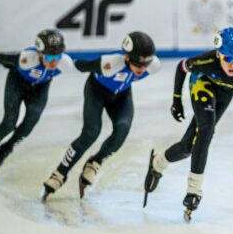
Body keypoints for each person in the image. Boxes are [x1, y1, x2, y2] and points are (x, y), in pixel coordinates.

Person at [142, 27, 233, 221]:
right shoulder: (207, 60)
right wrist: (176, 101)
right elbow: (182, 67)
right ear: (218, 53)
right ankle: (194, 190)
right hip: (203, 84)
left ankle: (158, 162)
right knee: (207, 129)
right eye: (227, 58)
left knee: (187, 148)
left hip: (225, 94)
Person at [41, 31, 160, 200]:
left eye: (146, 64)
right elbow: (81, 65)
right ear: (126, 57)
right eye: (137, 64)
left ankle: (95, 162)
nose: (142, 69)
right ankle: (60, 173)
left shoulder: (153, 65)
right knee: (91, 133)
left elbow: (140, 68)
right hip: (96, 91)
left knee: (122, 129)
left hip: (122, 95)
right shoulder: (109, 64)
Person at [0, 29, 72, 181]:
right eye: (50, 56)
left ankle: (7, 148)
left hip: (40, 88)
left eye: (57, 56)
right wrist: (10, 64)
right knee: (9, 123)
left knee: (31, 121)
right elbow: (1, 58)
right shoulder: (26, 59)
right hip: (17, 83)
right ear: (39, 53)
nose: (54, 61)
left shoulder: (65, 64)